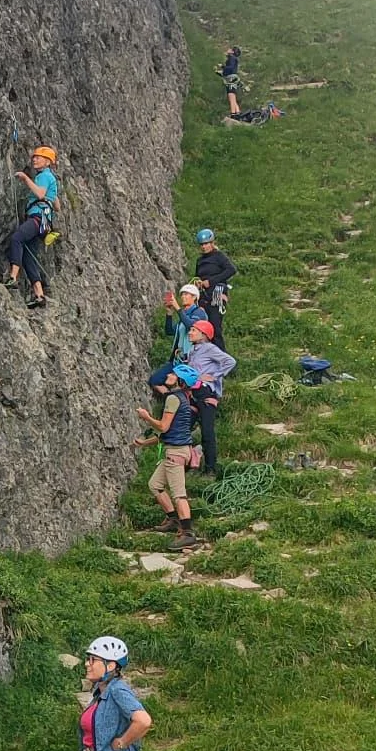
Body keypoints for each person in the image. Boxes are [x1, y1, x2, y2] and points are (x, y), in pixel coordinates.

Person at [135, 369, 200, 548]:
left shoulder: (172, 399)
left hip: (175, 454)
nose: (168, 376)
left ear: (180, 381)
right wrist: (144, 443)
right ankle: (174, 520)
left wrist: (146, 417)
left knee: (179, 495)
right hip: (180, 451)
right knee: (155, 485)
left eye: (173, 375)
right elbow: (170, 432)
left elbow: (163, 427)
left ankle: (188, 534)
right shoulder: (183, 399)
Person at [6, 146, 59, 311]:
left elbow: (40, 194)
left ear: (48, 161)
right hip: (44, 222)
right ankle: (39, 295)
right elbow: (57, 205)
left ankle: (13, 277)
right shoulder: (51, 178)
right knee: (29, 257)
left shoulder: (43, 176)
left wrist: (25, 178)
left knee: (17, 238)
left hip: (37, 218)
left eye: (38, 157)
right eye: (34, 157)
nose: (34, 159)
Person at [185, 320, 236, 475]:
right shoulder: (192, 351)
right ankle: (188, 461)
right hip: (193, 394)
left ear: (204, 335)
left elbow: (230, 361)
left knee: (207, 431)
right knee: (184, 428)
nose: (190, 332)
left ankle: (211, 468)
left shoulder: (209, 348)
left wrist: (214, 376)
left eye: (194, 330)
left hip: (206, 393)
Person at [194, 229, 237, 349]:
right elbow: (198, 275)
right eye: (202, 244)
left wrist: (211, 281)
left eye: (206, 243)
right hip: (204, 295)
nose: (204, 247)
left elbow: (231, 270)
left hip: (217, 292)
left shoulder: (219, 256)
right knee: (203, 327)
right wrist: (198, 283)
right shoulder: (200, 261)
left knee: (215, 327)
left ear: (212, 243)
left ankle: (222, 359)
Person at [218, 46, 242, 116]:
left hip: (230, 78)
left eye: (230, 49)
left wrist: (223, 67)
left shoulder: (231, 58)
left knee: (230, 95)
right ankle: (237, 112)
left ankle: (233, 113)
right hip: (233, 77)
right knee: (233, 95)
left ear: (232, 52)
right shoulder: (235, 59)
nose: (228, 49)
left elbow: (230, 68)